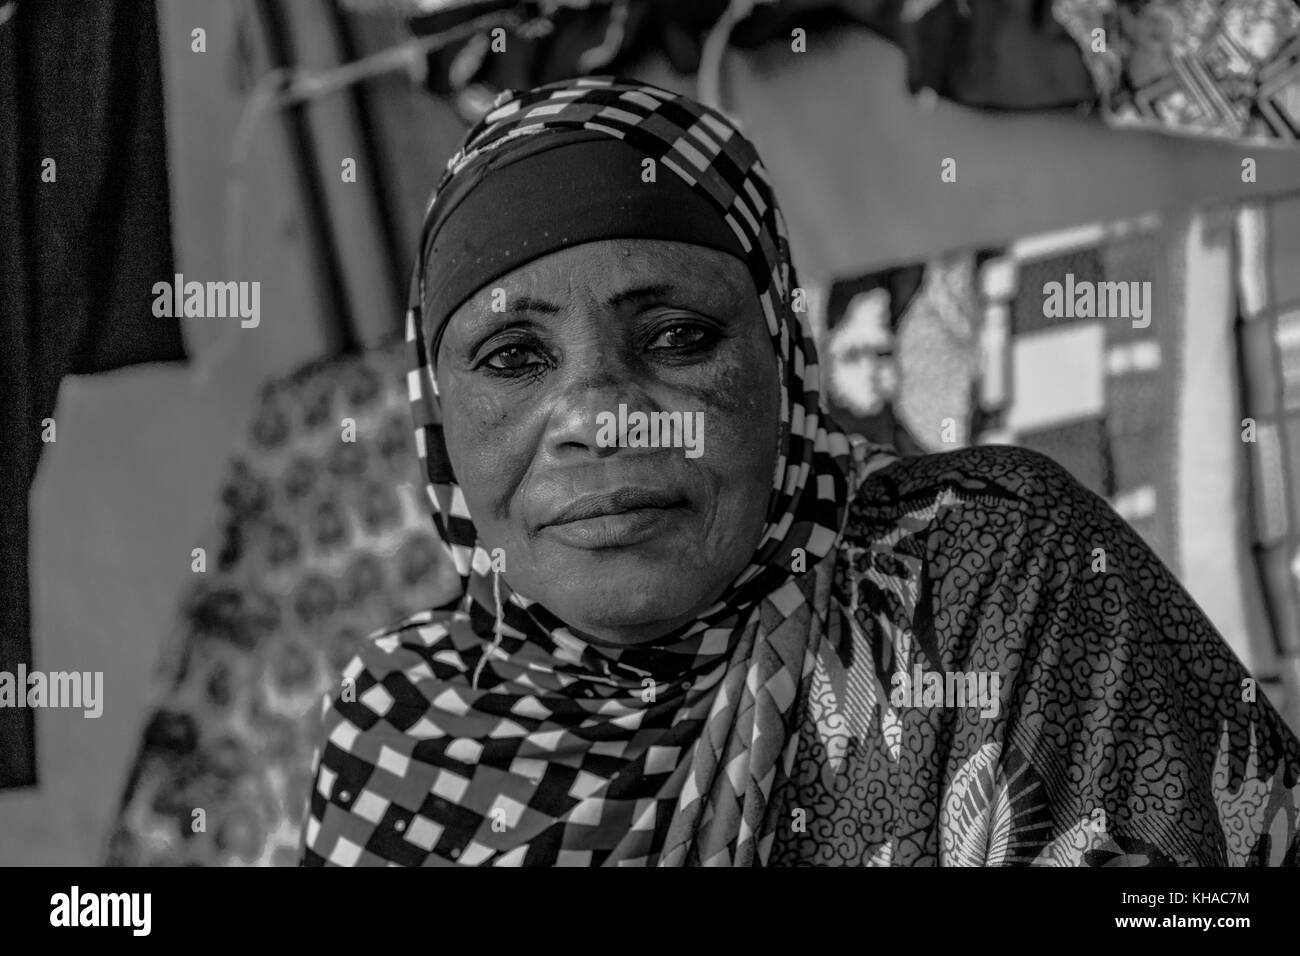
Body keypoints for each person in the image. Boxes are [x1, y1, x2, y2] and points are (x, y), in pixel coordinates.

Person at [300, 77, 1300, 867]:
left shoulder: (989, 577)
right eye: (514, 357)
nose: (600, 418)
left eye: (676, 336)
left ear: (783, 365)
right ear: (437, 422)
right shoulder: (397, 738)